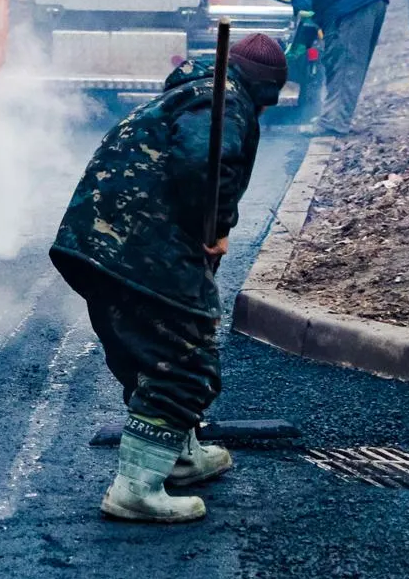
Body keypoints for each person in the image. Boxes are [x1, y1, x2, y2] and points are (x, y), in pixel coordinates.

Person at [51, 34, 288, 523]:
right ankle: (136, 489)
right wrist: (216, 226)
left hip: (98, 243)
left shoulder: (190, 93)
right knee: (183, 359)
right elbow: (203, 163)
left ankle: (177, 454)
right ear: (265, 89)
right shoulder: (223, 102)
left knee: (150, 352)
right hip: (140, 248)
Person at [263, 0, 389, 135]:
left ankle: (333, 122)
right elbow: (315, 8)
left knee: (343, 63)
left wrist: (302, 6)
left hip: (350, 4)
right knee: (347, 64)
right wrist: (302, 41)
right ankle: (335, 117)